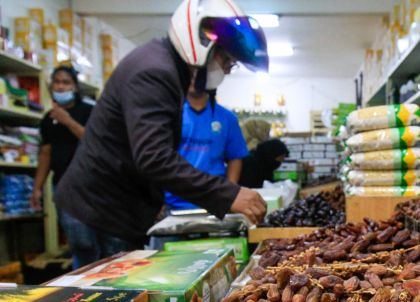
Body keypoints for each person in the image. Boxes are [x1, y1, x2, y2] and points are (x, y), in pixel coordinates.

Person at [54, 0, 268, 266]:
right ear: (201, 42)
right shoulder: (154, 71)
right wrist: (228, 193)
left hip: (112, 207)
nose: (226, 70)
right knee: (105, 301)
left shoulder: (164, 67)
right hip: (99, 210)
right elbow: (154, 157)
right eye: (227, 60)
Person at [30, 66, 94, 268]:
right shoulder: (48, 119)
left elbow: (95, 142)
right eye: (56, 81)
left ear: (75, 86)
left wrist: (67, 121)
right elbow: (45, 154)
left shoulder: (89, 111)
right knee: (78, 240)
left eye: (66, 82)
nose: (60, 86)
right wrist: (37, 187)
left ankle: (101, 277)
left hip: (93, 184)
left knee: (95, 239)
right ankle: (83, 281)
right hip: (64, 185)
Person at [165, 84, 249, 211]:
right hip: (172, 202)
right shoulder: (170, 115)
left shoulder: (227, 118)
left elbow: (235, 158)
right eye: (191, 74)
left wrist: (229, 196)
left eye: (201, 74)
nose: (195, 79)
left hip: (213, 201)